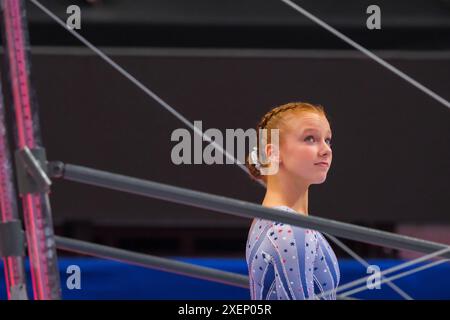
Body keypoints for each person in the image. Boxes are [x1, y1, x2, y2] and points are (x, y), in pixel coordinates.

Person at [245, 102, 340, 300]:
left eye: (328, 140)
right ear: (273, 153)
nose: (326, 150)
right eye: (310, 139)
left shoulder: (272, 220)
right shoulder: (289, 229)